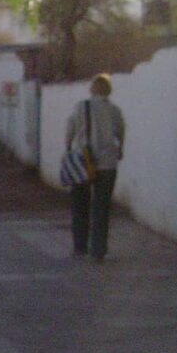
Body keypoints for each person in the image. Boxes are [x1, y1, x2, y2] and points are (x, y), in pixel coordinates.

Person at [65, 73, 125, 261]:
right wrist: (119, 150)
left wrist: (68, 149)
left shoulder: (80, 107)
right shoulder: (115, 111)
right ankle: (98, 250)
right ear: (109, 90)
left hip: (83, 161)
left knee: (80, 205)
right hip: (107, 163)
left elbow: (70, 129)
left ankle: (80, 247)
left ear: (92, 89)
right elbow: (121, 133)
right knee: (102, 206)